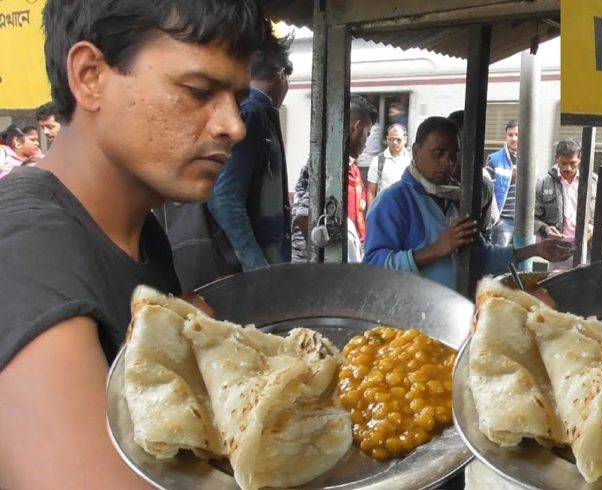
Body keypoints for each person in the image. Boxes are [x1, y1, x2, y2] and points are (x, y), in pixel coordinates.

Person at [0, 1, 268, 488]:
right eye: (199, 90)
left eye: (237, 96)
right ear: (90, 76)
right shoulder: (26, 247)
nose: (234, 125)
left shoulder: (141, 233)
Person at [364, 116, 573, 290]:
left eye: (454, 155)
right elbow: (373, 268)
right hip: (409, 324)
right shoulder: (393, 202)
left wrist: (534, 250)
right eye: (438, 153)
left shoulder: (455, 200)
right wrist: (437, 249)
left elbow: (482, 257)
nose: (448, 162)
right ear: (416, 151)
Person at [207, 34, 294, 271]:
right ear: (280, 76)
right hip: (256, 267)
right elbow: (224, 197)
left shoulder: (254, 112)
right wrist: (256, 266)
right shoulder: (254, 115)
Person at [291, 94, 378, 262]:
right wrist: (326, 258)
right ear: (356, 127)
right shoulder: (325, 162)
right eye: (367, 134)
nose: (366, 144)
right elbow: (304, 216)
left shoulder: (345, 164)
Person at [534, 139, 597, 269]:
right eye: (563, 163)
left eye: (573, 163)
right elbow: (533, 218)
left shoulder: (593, 182)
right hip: (558, 250)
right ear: (556, 159)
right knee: (558, 286)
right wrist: (545, 229)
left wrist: (592, 227)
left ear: (579, 160)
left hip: (588, 249)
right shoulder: (544, 183)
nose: (568, 168)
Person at [446, 109, 499, 239]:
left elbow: (489, 222)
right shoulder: (432, 180)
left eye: (463, 143)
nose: (458, 149)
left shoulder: (482, 184)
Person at [486, 119, 519, 246]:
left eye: (517, 135)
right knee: (501, 261)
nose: (513, 138)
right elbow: (487, 190)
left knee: (522, 261)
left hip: (523, 222)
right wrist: (495, 219)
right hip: (503, 221)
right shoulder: (494, 159)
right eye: (510, 135)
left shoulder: (531, 160)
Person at [366, 123, 411, 206]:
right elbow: (370, 192)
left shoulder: (411, 162)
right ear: (387, 139)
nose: (394, 142)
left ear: (405, 140)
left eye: (398, 140)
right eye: (391, 139)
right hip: (384, 210)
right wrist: (371, 214)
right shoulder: (378, 161)